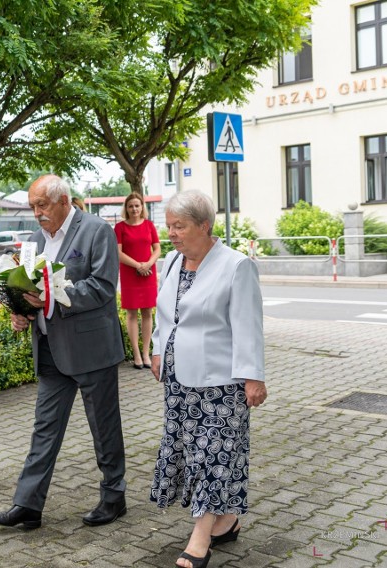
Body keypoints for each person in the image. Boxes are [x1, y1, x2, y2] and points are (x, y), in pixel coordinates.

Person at [0, 174, 127, 530]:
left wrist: (53, 296)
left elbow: (103, 286)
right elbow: (29, 288)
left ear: (64, 200)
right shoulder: (33, 240)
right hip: (49, 347)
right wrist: (21, 311)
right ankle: (28, 505)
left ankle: (114, 497)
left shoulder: (96, 231)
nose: (37, 212)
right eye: (33, 206)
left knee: (104, 428)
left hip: (92, 348)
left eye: (42, 205)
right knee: (44, 429)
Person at [149, 190, 267, 568]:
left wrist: (253, 377)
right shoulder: (171, 262)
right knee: (198, 453)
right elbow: (165, 314)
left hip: (221, 383)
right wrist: (156, 349)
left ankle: (200, 540)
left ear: (205, 225)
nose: (172, 233)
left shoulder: (236, 266)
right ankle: (228, 521)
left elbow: (248, 327)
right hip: (179, 383)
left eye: (179, 226)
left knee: (212, 455)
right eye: (168, 226)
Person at [114, 192, 161, 369]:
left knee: (148, 312)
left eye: (137, 205)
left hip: (148, 272)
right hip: (130, 273)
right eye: (131, 206)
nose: (134, 209)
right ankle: (136, 354)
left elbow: (157, 249)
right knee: (132, 313)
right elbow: (118, 253)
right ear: (126, 208)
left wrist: (148, 264)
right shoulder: (120, 228)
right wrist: (138, 266)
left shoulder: (149, 225)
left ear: (142, 207)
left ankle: (146, 353)